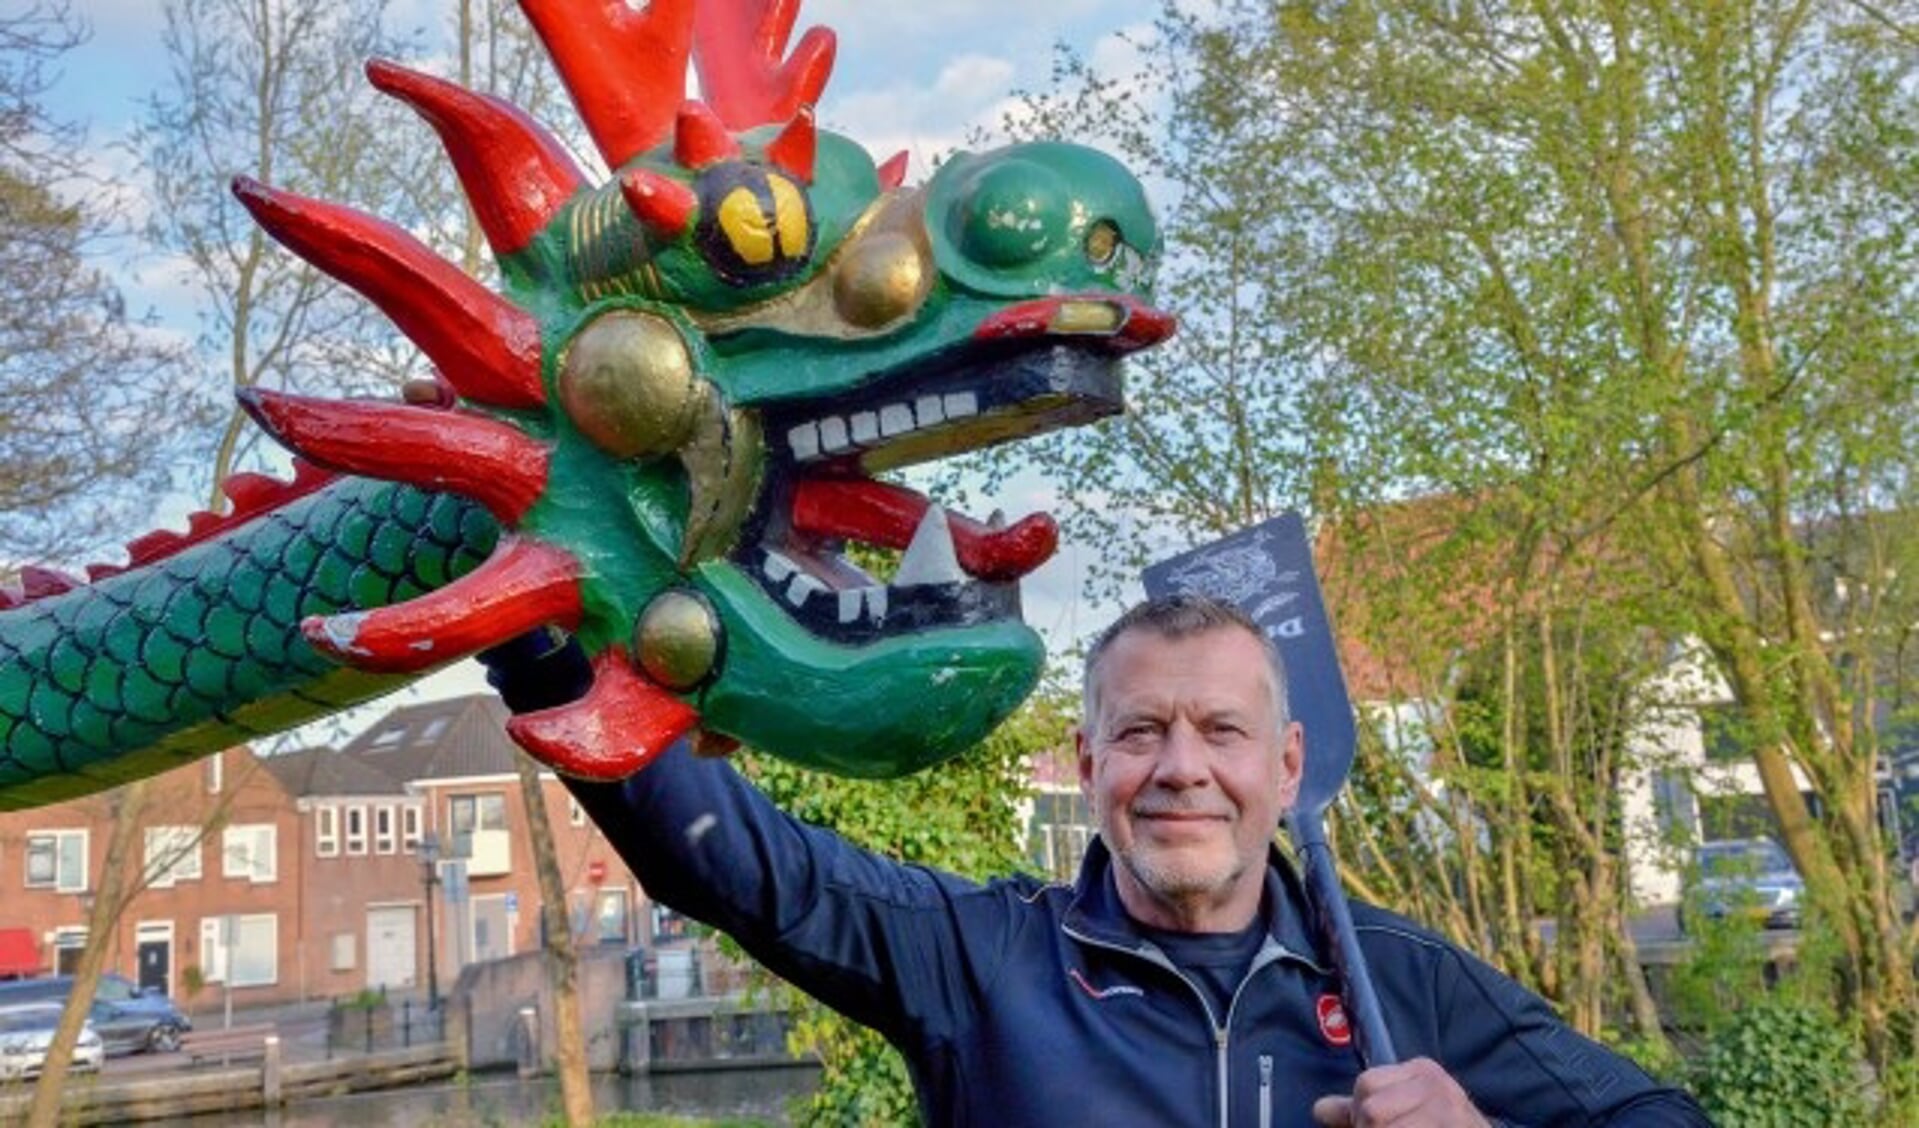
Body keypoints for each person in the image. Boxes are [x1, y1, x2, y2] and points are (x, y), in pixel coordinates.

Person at [485, 596, 1709, 1126]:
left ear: (1286, 765)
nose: (1181, 767)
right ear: (1087, 761)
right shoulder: (982, 960)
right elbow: (735, 864)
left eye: (1221, 731)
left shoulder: (1406, 983)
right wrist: (541, 651)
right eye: (1140, 730)